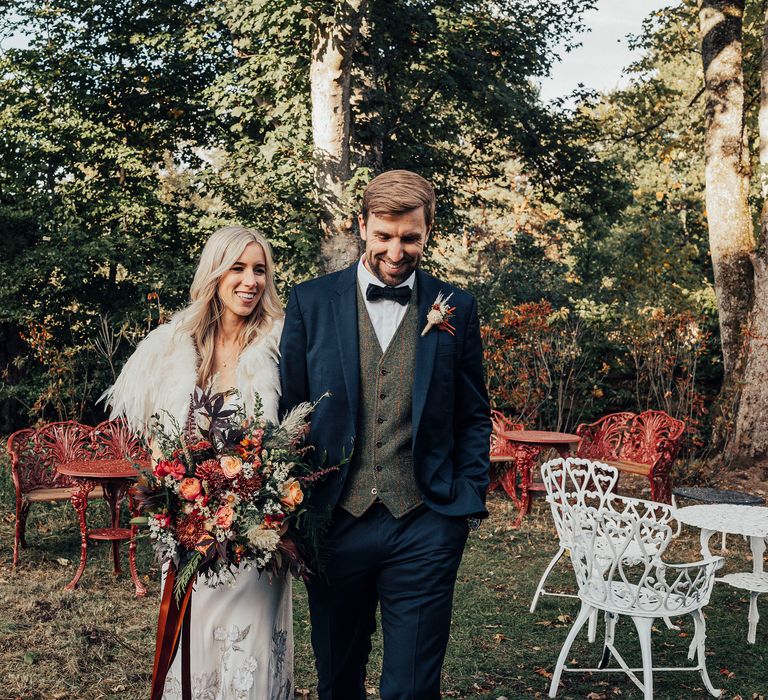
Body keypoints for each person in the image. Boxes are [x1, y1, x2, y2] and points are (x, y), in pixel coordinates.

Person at [279, 170, 491, 700]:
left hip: (425, 523)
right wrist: (296, 507)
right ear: (363, 226)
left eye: (410, 238)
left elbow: (472, 415)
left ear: (427, 233)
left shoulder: (456, 309)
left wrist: (463, 502)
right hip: (335, 525)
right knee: (338, 678)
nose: (396, 251)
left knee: (413, 688)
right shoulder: (309, 303)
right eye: (384, 235)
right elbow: (289, 415)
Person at [103, 226, 292, 700]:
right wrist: (178, 494)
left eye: (260, 270)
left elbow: (294, 436)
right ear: (215, 272)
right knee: (195, 648)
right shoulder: (173, 346)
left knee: (245, 649)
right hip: (189, 531)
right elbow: (157, 437)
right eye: (239, 267)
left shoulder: (281, 345)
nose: (250, 281)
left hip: (253, 537)